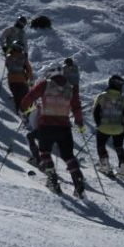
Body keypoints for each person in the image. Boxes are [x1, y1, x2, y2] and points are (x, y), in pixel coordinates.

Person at [20, 64, 86, 196]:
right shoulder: (70, 87)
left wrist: (23, 108)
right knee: (68, 156)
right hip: (64, 127)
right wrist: (79, 122)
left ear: (50, 74)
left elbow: (30, 96)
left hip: (46, 125)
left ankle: (52, 180)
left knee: (45, 152)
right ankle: (78, 181)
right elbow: (76, 107)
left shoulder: (45, 84)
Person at [92, 74, 124, 180]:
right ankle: (123, 170)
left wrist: (98, 123)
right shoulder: (123, 99)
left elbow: (95, 111)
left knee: (101, 145)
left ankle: (105, 166)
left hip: (103, 127)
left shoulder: (102, 96)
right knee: (119, 147)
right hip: (119, 128)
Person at [5, 41, 33, 116]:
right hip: (22, 80)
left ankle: (20, 115)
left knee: (17, 99)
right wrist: (30, 79)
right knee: (26, 98)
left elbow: (7, 66)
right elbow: (29, 69)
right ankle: (29, 115)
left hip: (11, 82)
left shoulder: (8, 57)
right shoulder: (23, 57)